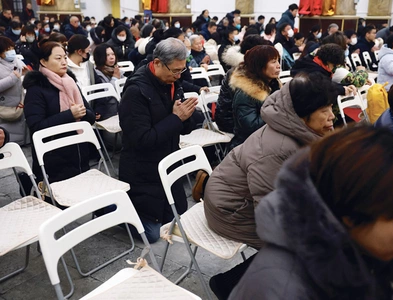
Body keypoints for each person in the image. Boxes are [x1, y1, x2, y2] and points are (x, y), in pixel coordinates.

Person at [204, 73, 336, 300]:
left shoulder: (297, 129)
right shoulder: (278, 149)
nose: (332, 116)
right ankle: (228, 284)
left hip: (249, 196)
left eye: (331, 108)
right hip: (232, 209)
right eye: (324, 111)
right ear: (303, 116)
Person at [230, 125, 393, 299]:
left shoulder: (362, 249)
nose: (331, 115)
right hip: (232, 214)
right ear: (352, 216)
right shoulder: (284, 291)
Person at [118, 38, 198, 243]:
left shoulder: (172, 82)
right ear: (157, 62)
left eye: (182, 70)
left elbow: (182, 126)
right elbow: (141, 140)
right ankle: (110, 209)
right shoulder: (136, 91)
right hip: (142, 169)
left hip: (168, 162)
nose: (179, 76)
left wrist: (188, 116)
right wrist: (176, 118)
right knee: (153, 235)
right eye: (174, 71)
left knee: (178, 219)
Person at [23, 41, 95, 183]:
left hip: (79, 153)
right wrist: (69, 115)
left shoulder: (70, 83)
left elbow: (91, 117)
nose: (64, 62)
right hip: (52, 159)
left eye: (64, 57)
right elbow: (36, 127)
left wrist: (82, 112)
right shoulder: (36, 89)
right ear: (43, 61)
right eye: (58, 58)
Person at [215, 35, 271, 134]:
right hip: (231, 121)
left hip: (245, 117)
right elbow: (246, 115)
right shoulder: (239, 73)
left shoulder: (255, 69)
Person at [229, 45, 281, 149]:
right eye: (273, 61)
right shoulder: (246, 93)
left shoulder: (273, 85)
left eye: (278, 61)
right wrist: (278, 112)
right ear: (260, 65)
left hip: (270, 139)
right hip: (250, 146)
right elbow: (251, 127)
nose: (278, 65)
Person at [291, 43, 357, 96]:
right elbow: (324, 87)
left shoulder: (310, 61)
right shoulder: (315, 71)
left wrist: (346, 86)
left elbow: (327, 84)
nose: (333, 69)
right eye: (334, 66)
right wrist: (343, 89)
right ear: (328, 62)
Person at [0, 36, 27, 145]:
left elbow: (24, 74)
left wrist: (26, 74)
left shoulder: (17, 61)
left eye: (12, 48)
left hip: (19, 103)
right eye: (7, 50)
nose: (11, 52)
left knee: (21, 131)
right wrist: (12, 78)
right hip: (5, 107)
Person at [93, 44, 123, 120]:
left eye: (113, 54)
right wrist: (115, 78)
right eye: (107, 55)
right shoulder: (97, 73)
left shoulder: (116, 69)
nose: (112, 57)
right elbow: (105, 95)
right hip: (108, 112)